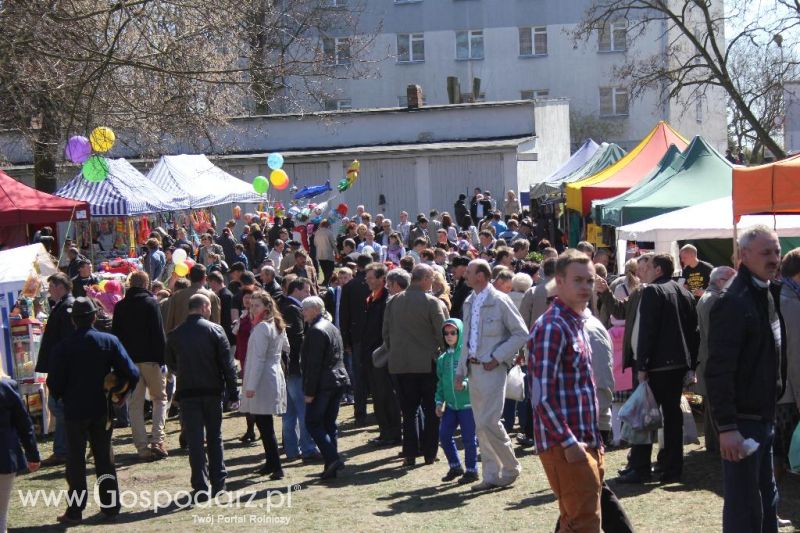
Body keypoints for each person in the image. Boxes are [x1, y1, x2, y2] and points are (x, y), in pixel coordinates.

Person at [530, 250, 631, 533]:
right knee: (584, 524)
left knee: (576, 521)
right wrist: (569, 443)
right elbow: (541, 397)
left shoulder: (576, 323)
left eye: (590, 280)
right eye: (578, 280)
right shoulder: (552, 326)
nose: (586, 287)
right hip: (567, 445)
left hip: (585, 440)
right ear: (559, 282)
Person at [706, 226, 786, 532]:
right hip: (742, 422)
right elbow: (719, 370)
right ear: (744, 255)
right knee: (744, 508)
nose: (774, 258)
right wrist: (726, 427)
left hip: (763, 417)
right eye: (766, 252)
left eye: (776, 251)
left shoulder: (763, 291)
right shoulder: (733, 300)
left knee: (767, 500)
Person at [47, 297, 140, 524]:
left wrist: (62, 397)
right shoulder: (109, 341)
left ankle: (75, 510)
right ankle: (110, 507)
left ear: (73, 320)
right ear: (94, 317)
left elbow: (54, 382)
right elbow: (132, 372)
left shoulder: (63, 347)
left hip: (74, 409)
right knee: (104, 458)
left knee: (76, 461)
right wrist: (120, 393)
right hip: (102, 408)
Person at [618, 253, 699, 485]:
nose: (642, 271)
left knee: (644, 415)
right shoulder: (684, 292)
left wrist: (642, 364)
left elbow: (648, 330)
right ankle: (671, 467)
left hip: (656, 366)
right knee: (672, 418)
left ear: (658, 270)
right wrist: (691, 366)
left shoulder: (653, 291)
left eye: (648, 267)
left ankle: (641, 467)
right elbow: (695, 333)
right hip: (677, 366)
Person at [454, 259, 527, 490]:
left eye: (469, 271)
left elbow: (521, 334)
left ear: (481, 276)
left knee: (489, 421)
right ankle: (491, 475)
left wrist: (497, 357)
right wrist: (460, 370)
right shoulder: (469, 301)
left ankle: (511, 467)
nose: (465, 274)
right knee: (480, 424)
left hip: (492, 369)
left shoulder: (500, 300)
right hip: (473, 370)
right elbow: (466, 340)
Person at [165, 294, 239, 499]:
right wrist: (233, 392)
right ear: (205, 307)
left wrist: (184, 372)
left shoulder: (176, 334)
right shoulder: (215, 330)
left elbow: (170, 363)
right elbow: (228, 365)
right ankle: (219, 481)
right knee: (215, 437)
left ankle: (200, 484)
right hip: (212, 390)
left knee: (195, 440)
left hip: (188, 391)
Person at [383, 264, 446, 466]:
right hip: (427, 364)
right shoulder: (431, 302)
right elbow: (442, 333)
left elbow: (385, 334)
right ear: (425, 279)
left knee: (408, 412)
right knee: (431, 410)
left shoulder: (393, 302)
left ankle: (410, 452)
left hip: (400, 365)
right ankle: (429, 452)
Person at [111, 271, 168, 461]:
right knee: (159, 398)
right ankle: (157, 440)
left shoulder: (120, 306)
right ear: (147, 284)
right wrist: (163, 360)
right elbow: (159, 333)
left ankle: (142, 447)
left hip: (129, 362)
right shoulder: (151, 303)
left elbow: (116, 337)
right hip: (151, 359)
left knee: (135, 405)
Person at [301, 296, 351, 479]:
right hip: (337, 380)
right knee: (329, 424)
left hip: (324, 383)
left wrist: (309, 392)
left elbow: (313, 365)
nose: (303, 313)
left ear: (314, 310)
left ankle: (333, 458)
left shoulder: (316, 331)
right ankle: (331, 465)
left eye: (305, 309)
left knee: (313, 422)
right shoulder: (331, 326)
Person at [241, 291, 289, 480]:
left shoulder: (263, 327)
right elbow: (286, 347)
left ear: (267, 307)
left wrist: (251, 386)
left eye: (257, 306)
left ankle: (276, 466)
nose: (253, 309)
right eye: (251, 306)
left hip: (262, 377)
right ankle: (271, 463)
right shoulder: (275, 324)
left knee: (265, 424)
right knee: (264, 422)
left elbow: (260, 359)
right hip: (272, 373)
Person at [35, 273, 75, 467]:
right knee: (59, 408)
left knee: (59, 407)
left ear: (60, 286)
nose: (49, 290)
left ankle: (62, 451)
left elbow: (67, 340)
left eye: (51, 286)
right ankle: (64, 449)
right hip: (60, 367)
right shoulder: (63, 305)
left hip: (62, 368)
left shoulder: (67, 306)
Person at [695, 266, 736, 454]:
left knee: (711, 406)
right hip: (712, 360)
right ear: (720, 281)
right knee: (714, 406)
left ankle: (713, 444)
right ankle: (715, 445)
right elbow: (715, 335)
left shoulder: (709, 298)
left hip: (708, 359)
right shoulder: (713, 300)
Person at [279, 278, 320, 462]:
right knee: (302, 410)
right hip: (295, 366)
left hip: (286, 367)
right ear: (297, 290)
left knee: (289, 412)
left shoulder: (282, 305)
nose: (309, 294)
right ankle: (308, 448)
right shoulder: (293, 309)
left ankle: (292, 450)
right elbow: (297, 339)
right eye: (307, 291)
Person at [435, 319, 479, 483]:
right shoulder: (442, 359)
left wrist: (466, 384)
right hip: (451, 407)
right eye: (446, 333)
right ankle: (455, 466)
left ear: (460, 333)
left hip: (467, 406)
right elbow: (440, 384)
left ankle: (472, 470)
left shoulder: (467, 355)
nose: (449, 336)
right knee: (444, 435)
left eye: (453, 332)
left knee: (469, 439)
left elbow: (475, 377)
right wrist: (439, 402)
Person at [363, 263, 401, 446]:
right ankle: (385, 431)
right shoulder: (372, 298)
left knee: (386, 396)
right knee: (378, 396)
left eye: (370, 278)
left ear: (381, 279)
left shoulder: (387, 299)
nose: (367, 281)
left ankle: (392, 433)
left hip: (383, 355)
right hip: (373, 354)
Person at [0, 367, 41, 533]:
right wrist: (33, 455)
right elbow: (24, 424)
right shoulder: (7, 387)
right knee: (1, 513)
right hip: (4, 457)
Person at [776, 248, 800, 493]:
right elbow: (795, 356)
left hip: (781, 389)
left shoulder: (780, 295)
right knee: (781, 451)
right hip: (788, 393)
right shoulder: (790, 302)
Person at [339, 255, 373, 425]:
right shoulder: (376, 284)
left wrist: (346, 341)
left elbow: (344, 316)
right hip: (375, 337)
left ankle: (360, 414)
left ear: (357, 267)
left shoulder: (349, 286)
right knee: (376, 376)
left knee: (359, 378)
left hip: (357, 337)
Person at [164, 264, 221, 331]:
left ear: (189, 277)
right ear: (205, 278)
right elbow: (216, 325)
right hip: (203, 339)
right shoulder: (212, 296)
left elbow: (169, 323)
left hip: (180, 338)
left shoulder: (177, 295)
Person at [314, 220, 338, 285]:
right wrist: (337, 252)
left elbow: (315, 243)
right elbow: (333, 244)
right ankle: (327, 282)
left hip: (320, 253)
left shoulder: (317, 232)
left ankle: (326, 281)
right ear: (328, 225)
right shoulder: (329, 232)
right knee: (330, 269)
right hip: (328, 254)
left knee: (324, 269)